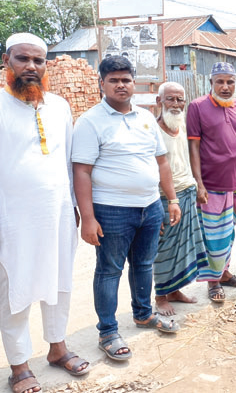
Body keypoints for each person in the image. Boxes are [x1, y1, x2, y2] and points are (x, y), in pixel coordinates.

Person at [73, 56, 181, 362]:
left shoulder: (146, 117)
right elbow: (81, 171)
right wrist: (88, 218)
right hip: (112, 211)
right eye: (114, 80)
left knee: (144, 264)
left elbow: (161, 162)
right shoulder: (90, 121)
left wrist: (170, 199)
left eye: (126, 79)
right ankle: (108, 331)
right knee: (109, 270)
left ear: (134, 83)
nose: (121, 85)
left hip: (149, 206)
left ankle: (144, 314)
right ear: (102, 84)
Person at [1, 32, 89, 393]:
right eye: (23, 59)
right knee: (14, 290)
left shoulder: (59, 106)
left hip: (57, 215)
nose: (31, 67)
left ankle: (57, 348)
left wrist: (76, 208)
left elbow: (69, 162)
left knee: (60, 284)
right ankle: (19, 365)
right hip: (10, 220)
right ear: (7, 62)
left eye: (39, 61)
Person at [187, 62, 236, 298]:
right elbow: (193, 145)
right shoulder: (197, 107)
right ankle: (213, 281)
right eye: (220, 82)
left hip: (233, 184)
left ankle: (224, 272)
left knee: (228, 233)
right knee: (212, 237)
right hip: (210, 185)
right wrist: (199, 183)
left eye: (230, 82)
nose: (225, 87)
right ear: (211, 83)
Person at [151, 82, 207, 312]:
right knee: (163, 250)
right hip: (164, 198)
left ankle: (175, 290)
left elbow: (193, 157)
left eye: (180, 99)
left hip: (187, 192)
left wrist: (199, 185)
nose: (176, 104)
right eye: (170, 99)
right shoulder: (152, 130)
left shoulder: (184, 126)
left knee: (183, 248)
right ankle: (161, 296)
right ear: (159, 102)